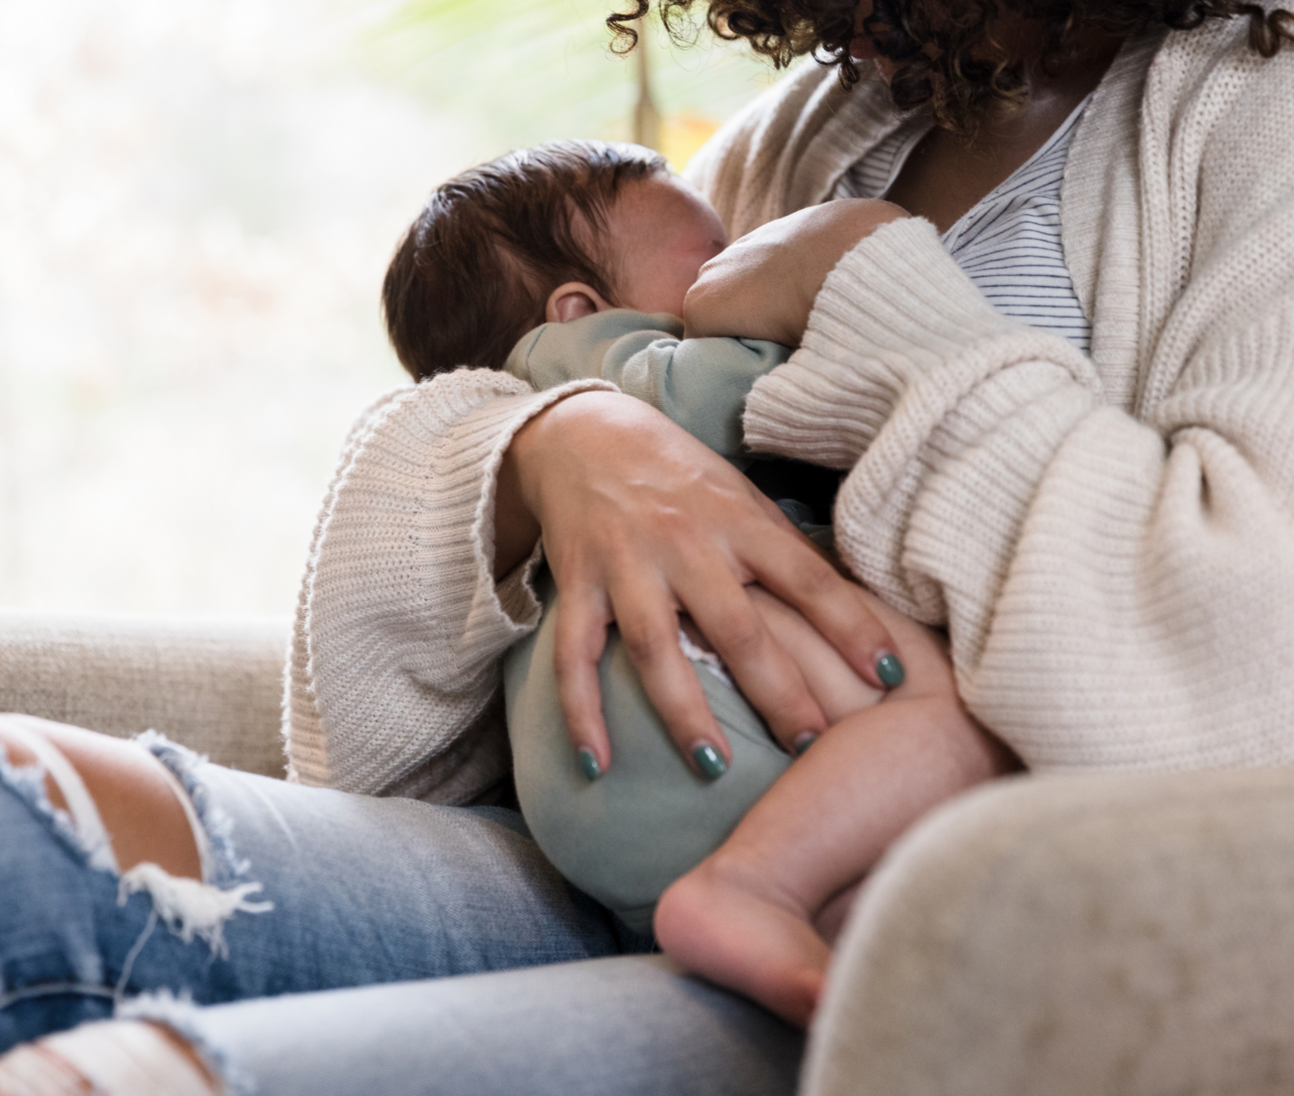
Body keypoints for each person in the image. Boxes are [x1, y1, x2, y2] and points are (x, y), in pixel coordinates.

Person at [0, 0, 1294, 1092]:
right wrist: (559, 438)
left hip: (952, 951)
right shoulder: (862, 110)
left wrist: (869, 299)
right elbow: (372, 734)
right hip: (643, 872)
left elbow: (1250, 702)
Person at [379, 137, 1012, 1022]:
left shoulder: (544, 402)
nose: (737, 268)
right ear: (579, 308)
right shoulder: (599, 366)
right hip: (678, 712)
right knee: (959, 715)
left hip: (595, 789)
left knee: (867, 941)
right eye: (714, 260)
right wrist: (825, 283)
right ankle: (749, 886)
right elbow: (743, 392)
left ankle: (771, 916)